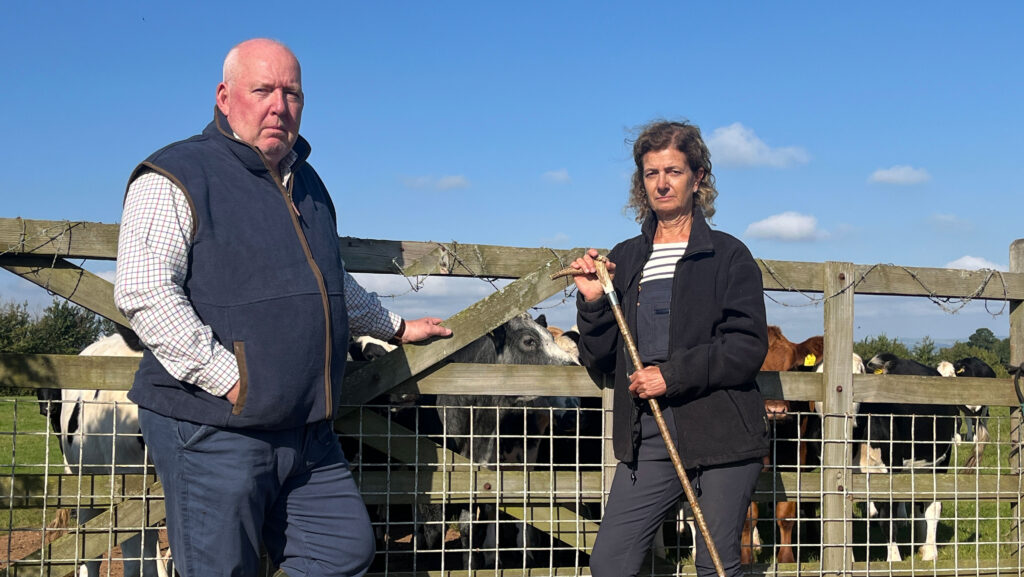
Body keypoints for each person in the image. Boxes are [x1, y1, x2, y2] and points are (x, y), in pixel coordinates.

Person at [114, 38, 451, 577]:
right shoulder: (175, 174)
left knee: (341, 550)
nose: (279, 105)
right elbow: (144, 291)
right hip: (214, 427)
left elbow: (329, 281)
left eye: (291, 92)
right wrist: (232, 379)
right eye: (263, 90)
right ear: (225, 97)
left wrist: (397, 326)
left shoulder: (309, 183)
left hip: (305, 429)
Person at [569, 120, 769, 577]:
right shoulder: (624, 258)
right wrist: (594, 302)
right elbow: (600, 358)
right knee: (610, 563)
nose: (661, 183)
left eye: (674, 171)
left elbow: (745, 346)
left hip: (721, 434)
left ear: (698, 177)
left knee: (716, 567)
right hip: (648, 437)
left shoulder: (728, 255)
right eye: (651, 172)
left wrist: (672, 375)